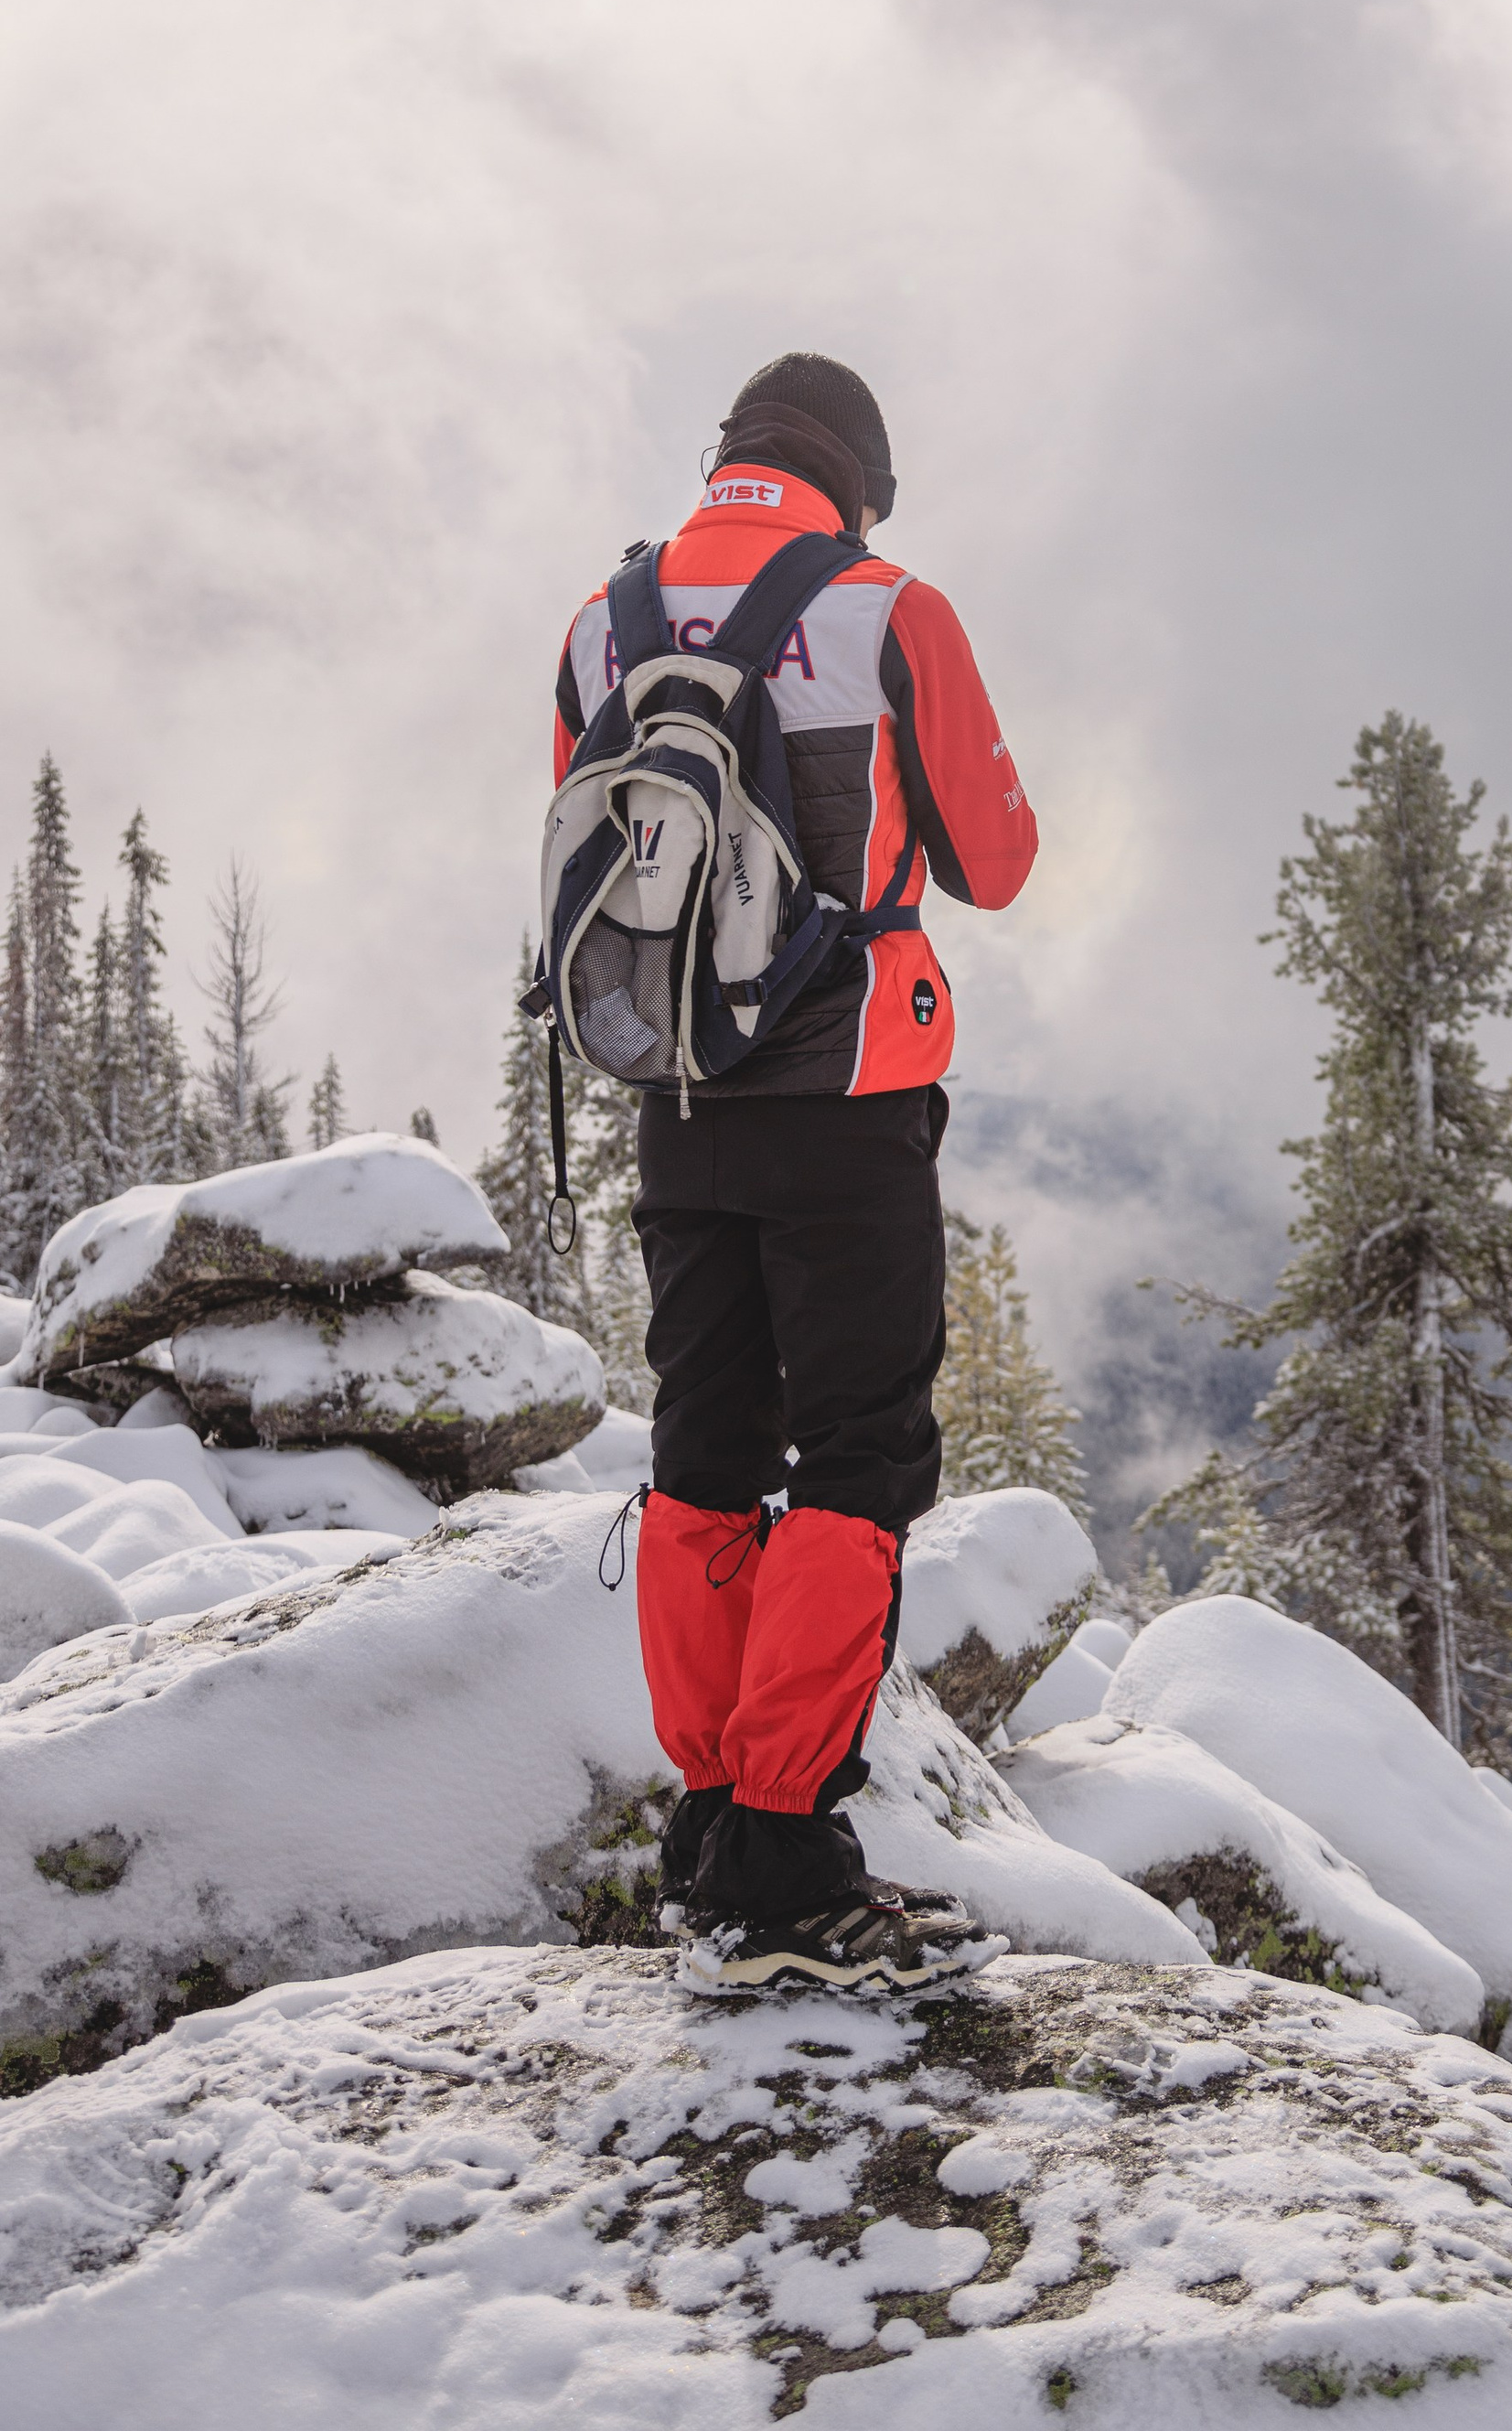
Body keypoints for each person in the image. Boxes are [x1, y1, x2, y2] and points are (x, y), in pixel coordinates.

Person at [552, 351, 1037, 1990]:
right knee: (858, 1455)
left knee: (703, 1446)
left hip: (674, 1094)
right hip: (847, 1089)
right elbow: (997, 858)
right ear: (860, 482)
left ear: (731, 461)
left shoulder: (602, 624)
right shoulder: (891, 610)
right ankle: (787, 1856)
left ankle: (710, 1822)